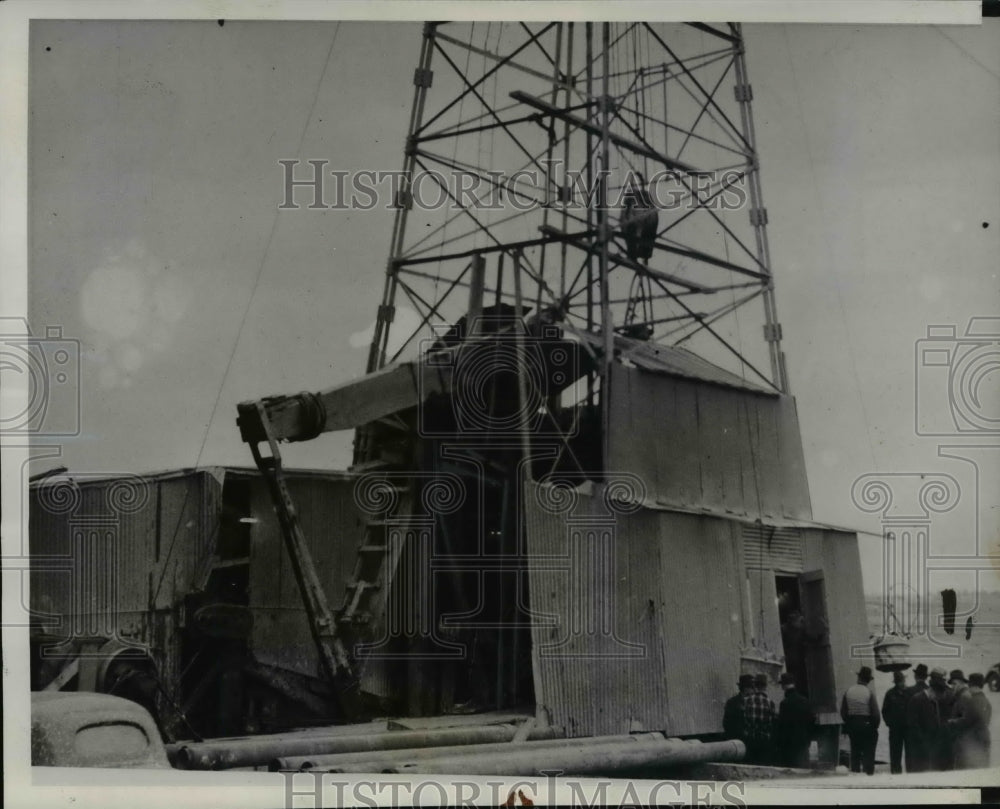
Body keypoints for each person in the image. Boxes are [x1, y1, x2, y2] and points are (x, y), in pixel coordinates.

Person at [909, 666, 956, 771]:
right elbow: (913, 726)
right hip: (923, 751)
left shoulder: (936, 701)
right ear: (934, 691)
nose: (940, 698)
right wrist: (925, 743)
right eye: (940, 695)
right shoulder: (917, 700)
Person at [840, 665, 880, 774]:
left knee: (855, 753)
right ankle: (868, 775)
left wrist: (849, 723)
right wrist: (873, 727)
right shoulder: (869, 693)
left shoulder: (848, 691)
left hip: (853, 726)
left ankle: (855, 774)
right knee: (869, 754)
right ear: (868, 680)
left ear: (859, 677)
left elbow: (843, 712)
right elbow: (876, 715)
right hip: (867, 725)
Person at [947, 672, 992, 769]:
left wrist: (952, 722)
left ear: (972, 686)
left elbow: (967, 721)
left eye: (969, 685)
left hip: (974, 743)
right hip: (983, 740)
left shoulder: (973, 701)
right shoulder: (986, 701)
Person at [775, 672, 815, 768]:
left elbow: (782, 726)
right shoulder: (805, 701)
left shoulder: (784, 703)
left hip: (789, 746)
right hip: (803, 743)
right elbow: (811, 722)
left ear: (783, 686)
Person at [742, 673, 776, 765]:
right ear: (765, 686)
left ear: (755, 685)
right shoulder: (770, 703)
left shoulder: (746, 700)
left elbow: (744, 719)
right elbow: (772, 723)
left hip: (750, 740)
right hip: (765, 741)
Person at [881, 670, 908, 774]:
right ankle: (896, 774)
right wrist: (889, 723)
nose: (902, 683)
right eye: (899, 681)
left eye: (902, 681)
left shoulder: (908, 692)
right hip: (895, 729)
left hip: (907, 728)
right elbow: (884, 711)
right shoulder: (890, 693)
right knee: (895, 754)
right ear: (896, 682)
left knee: (909, 754)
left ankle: (910, 774)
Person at [904, 663, 930, 771]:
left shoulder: (908, 691)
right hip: (928, 731)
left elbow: (905, 712)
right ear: (926, 677)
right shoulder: (930, 690)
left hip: (912, 732)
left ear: (915, 676)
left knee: (912, 760)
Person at [723, 674, 755, 741]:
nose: (753, 690)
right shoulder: (732, 702)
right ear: (744, 688)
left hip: (750, 740)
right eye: (751, 687)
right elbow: (727, 723)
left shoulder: (754, 701)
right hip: (736, 738)